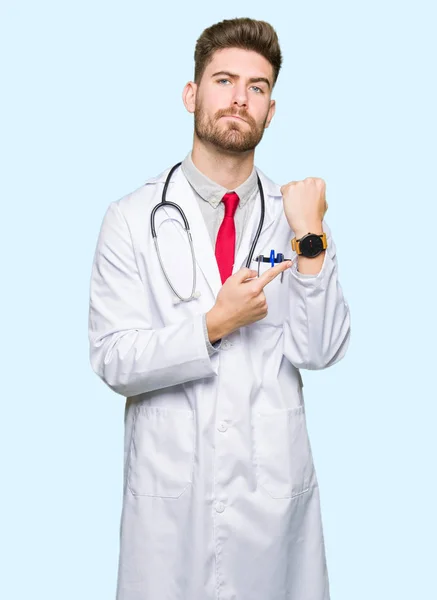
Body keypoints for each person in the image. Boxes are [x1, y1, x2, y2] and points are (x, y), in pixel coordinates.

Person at [88, 16, 351, 600]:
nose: (239, 98)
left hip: (271, 500)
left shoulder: (296, 215)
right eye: (224, 80)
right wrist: (211, 326)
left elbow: (322, 347)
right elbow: (112, 358)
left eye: (256, 87)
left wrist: (311, 236)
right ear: (192, 94)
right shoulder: (130, 218)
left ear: (271, 110)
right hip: (171, 504)